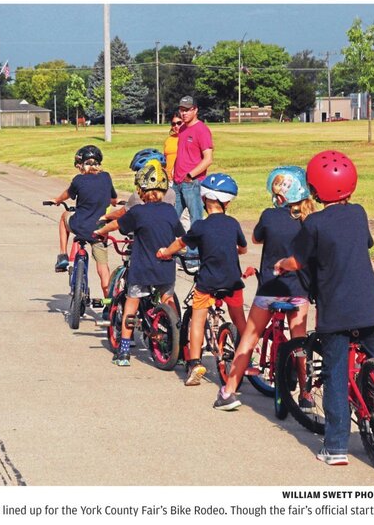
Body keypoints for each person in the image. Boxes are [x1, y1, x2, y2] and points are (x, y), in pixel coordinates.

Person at [273, 150, 374, 465]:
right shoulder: (359, 213)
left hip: (336, 311)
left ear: (315, 189)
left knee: (336, 374)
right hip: (368, 305)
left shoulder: (315, 224)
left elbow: (298, 261)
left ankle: (336, 447)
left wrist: (282, 264)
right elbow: (363, 244)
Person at [214, 165, 315, 411]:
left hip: (269, 289)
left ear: (279, 195)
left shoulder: (269, 216)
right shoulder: (309, 220)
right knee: (300, 343)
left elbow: (257, 238)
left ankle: (229, 392)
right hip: (298, 291)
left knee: (249, 338)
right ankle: (305, 394)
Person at [156, 172, 247, 386]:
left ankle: (195, 363)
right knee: (239, 320)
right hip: (233, 282)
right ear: (227, 203)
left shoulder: (200, 226)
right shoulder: (233, 223)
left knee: (197, 319)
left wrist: (165, 253)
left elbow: (180, 243)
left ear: (205, 200)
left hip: (208, 282)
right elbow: (243, 248)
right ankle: (247, 355)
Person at [95, 159, 185, 367]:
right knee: (168, 298)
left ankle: (124, 352)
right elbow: (180, 237)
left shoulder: (137, 212)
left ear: (140, 190)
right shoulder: (171, 211)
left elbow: (119, 225)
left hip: (142, 268)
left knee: (131, 304)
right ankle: (177, 344)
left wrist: (100, 230)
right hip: (165, 267)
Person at [52, 145, 118, 298]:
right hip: (99, 230)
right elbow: (112, 198)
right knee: (102, 266)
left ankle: (63, 255)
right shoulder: (106, 177)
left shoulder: (78, 180)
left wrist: (56, 200)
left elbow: (67, 195)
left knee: (64, 216)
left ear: (81, 165)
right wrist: (116, 202)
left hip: (79, 225)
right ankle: (108, 302)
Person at [171, 95, 214, 261]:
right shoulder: (182, 129)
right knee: (170, 218)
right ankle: (172, 250)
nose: (184, 113)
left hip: (192, 183)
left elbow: (208, 159)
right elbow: (182, 154)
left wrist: (191, 175)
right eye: (182, 110)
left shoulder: (202, 130)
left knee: (196, 219)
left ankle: (194, 255)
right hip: (178, 182)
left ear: (195, 110)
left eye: (187, 110)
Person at [163, 113, 182, 180]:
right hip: (167, 178)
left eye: (179, 123)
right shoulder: (169, 139)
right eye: (173, 124)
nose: (176, 126)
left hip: (181, 179)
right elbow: (165, 158)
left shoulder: (188, 138)